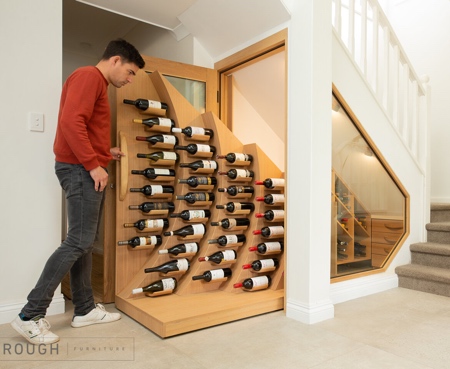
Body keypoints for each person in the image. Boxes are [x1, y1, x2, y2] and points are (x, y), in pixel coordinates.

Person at [11, 39, 145, 345]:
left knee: (83, 242)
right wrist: (92, 164)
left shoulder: (95, 81)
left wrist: (103, 152)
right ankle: (30, 315)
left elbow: (83, 126)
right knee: (78, 241)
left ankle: (84, 309)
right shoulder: (88, 76)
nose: (130, 78)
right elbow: (72, 122)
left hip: (84, 166)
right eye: (130, 71)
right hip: (80, 169)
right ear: (115, 60)